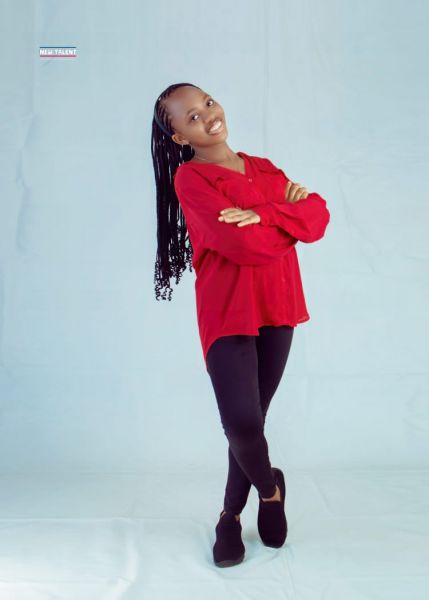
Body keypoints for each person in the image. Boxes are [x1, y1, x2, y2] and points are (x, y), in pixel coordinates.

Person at [151, 82, 330, 567]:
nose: (207, 115)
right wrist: (286, 220)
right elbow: (242, 245)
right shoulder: (192, 179)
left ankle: (229, 517)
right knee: (242, 423)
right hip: (227, 310)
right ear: (180, 137)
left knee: (253, 420)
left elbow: (317, 217)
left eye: (207, 103)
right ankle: (270, 492)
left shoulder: (266, 169)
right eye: (191, 116)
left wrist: (263, 213)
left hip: (278, 304)